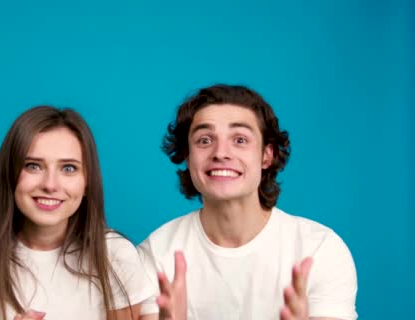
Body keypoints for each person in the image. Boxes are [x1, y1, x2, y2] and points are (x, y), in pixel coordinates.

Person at [138, 84, 358, 320]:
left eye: (240, 140)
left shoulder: (320, 249)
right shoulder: (156, 254)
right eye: (204, 140)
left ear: (266, 155)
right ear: (187, 156)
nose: (221, 153)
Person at [0, 106, 156, 320]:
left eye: (68, 168)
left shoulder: (115, 255)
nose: (50, 184)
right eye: (33, 166)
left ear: (87, 183)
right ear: (10, 173)